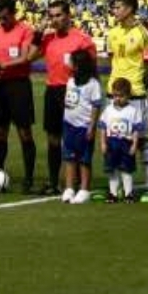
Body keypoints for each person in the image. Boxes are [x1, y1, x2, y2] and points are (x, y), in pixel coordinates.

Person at [38, 0, 98, 197]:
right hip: (53, 91)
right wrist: (38, 33)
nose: (54, 20)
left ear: (68, 15)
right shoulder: (48, 39)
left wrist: (94, 101)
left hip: (75, 92)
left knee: (76, 138)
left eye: (58, 15)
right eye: (51, 16)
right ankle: (55, 181)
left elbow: (93, 71)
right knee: (53, 139)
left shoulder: (82, 40)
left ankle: (79, 184)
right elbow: (29, 55)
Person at [103, 0, 148, 202]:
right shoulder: (112, 33)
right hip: (113, 93)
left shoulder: (143, 33)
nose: (114, 11)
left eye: (118, 7)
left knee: (142, 140)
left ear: (129, 9)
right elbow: (112, 58)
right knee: (115, 139)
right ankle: (117, 187)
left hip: (135, 95)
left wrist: (139, 86)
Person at [0, 0, 40, 192]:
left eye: (6, 17)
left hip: (19, 86)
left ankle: (29, 178)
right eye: (0, 18)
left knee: (24, 133)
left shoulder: (25, 30)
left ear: (13, 13)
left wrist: (4, 64)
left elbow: (26, 58)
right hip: (0, 85)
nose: (2, 21)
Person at [59, 49, 103, 204]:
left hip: (83, 126)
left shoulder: (93, 84)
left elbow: (96, 106)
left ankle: (84, 189)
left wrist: (92, 126)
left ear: (79, 65)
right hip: (69, 125)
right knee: (69, 157)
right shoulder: (71, 81)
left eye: (72, 62)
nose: (69, 64)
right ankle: (69, 187)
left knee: (84, 159)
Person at [100, 77, 143, 204]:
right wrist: (102, 143)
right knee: (111, 169)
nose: (118, 98)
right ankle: (113, 193)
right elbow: (103, 127)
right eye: (115, 95)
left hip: (126, 143)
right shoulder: (108, 110)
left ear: (128, 95)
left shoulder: (133, 111)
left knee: (126, 169)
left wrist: (134, 144)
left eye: (121, 96)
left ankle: (128, 193)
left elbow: (136, 129)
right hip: (111, 143)